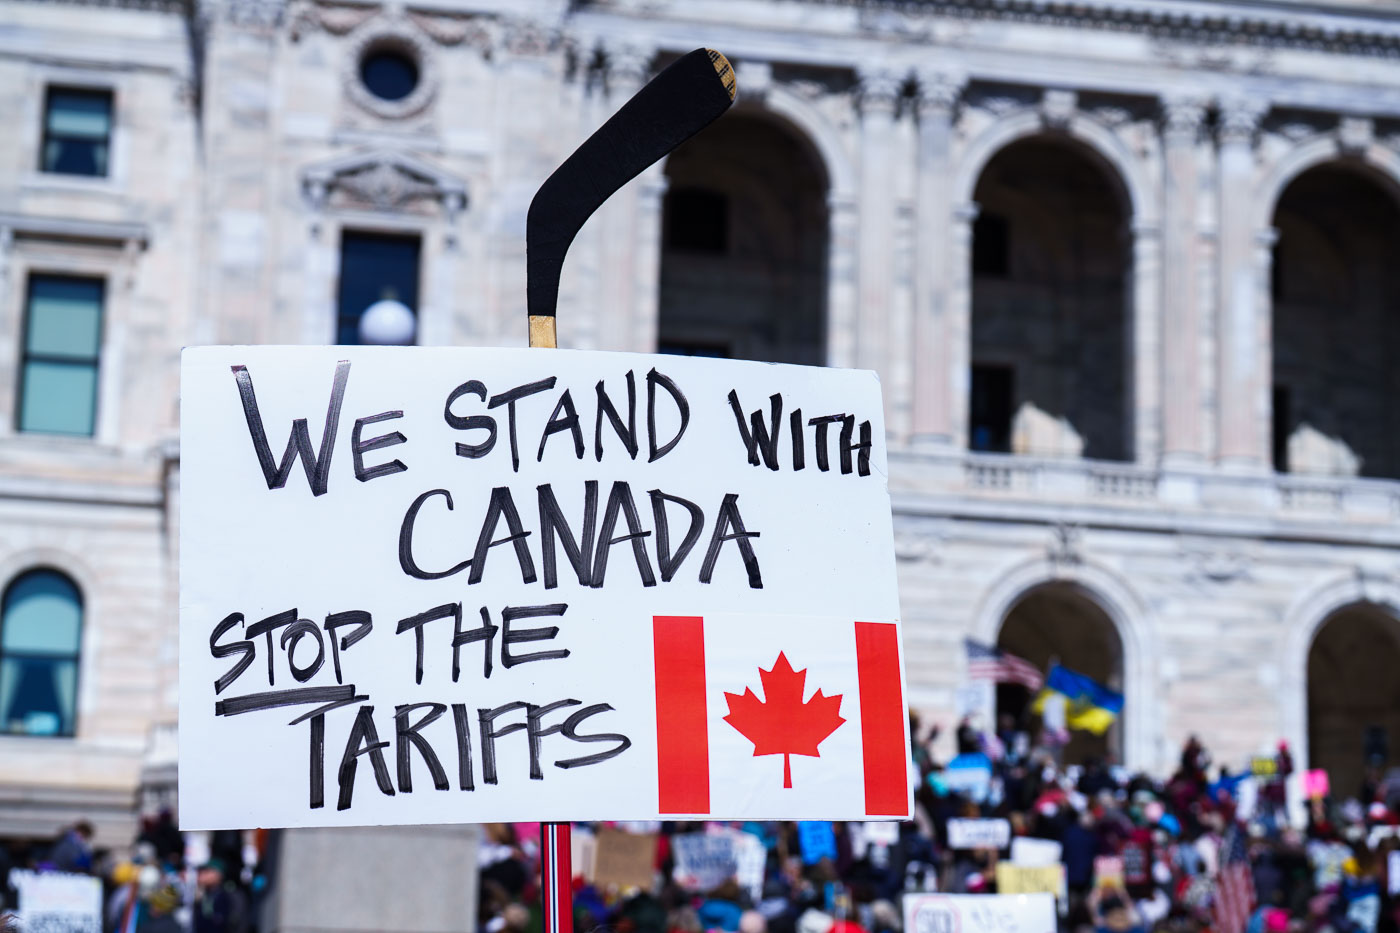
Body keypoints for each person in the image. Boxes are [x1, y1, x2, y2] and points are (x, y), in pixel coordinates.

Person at [194, 859, 248, 933]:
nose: (201, 874)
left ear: (218, 874)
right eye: (200, 872)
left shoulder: (231, 896)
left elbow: (238, 923)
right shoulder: (200, 895)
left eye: (207, 871)